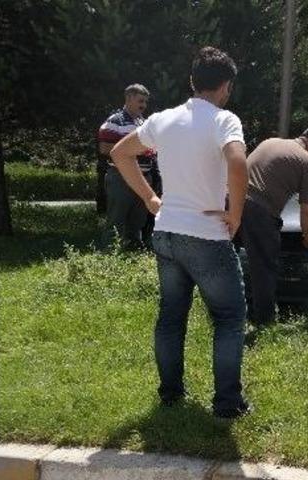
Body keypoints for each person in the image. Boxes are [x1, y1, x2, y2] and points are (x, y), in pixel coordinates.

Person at [109, 47, 251, 418]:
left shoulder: (162, 119)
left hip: (167, 232)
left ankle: (170, 395)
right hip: (206, 236)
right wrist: (235, 215)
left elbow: (120, 153)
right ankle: (228, 404)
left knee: (171, 317)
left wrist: (150, 198)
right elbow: (238, 164)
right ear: (226, 86)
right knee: (229, 318)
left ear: (192, 81)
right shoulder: (224, 120)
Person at [241, 126, 308, 325]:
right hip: (258, 212)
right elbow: (307, 209)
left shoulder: (270, 142)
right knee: (264, 268)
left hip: (230, 202)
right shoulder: (307, 164)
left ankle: (225, 313)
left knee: (230, 260)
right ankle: (265, 322)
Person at [97, 84, 158, 248]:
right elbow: (104, 148)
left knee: (138, 218)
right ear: (129, 98)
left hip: (143, 177)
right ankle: (109, 251)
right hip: (121, 177)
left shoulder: (143, 122)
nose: (144, 105)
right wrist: (134, 150)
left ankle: (133, 248)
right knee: (116, 216)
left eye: (145, 102)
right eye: (140, 101)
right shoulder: (115, 121)